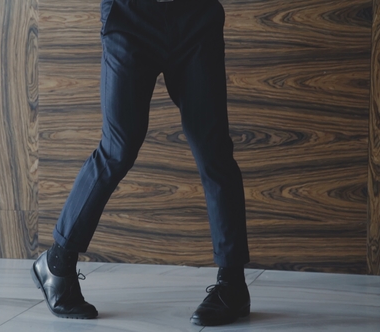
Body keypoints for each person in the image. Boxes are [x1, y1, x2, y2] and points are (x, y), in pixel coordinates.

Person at [30, 0, 250, 326]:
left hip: (195, 17)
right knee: (117, 148)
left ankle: (232, 285)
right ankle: (57, 264)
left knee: (214, 150)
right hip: (129, 16)